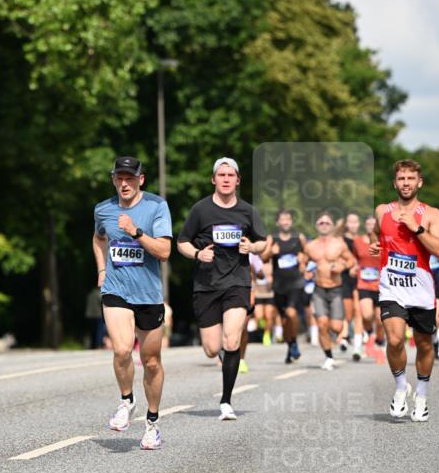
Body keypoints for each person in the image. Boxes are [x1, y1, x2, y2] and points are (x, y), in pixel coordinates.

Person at [177, 157, 266, 420]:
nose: (226, 179)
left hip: (237, 282)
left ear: (238, 180)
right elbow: (181, 242)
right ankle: (221, 360)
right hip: (206, 285)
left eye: (231, 175)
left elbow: (264, 241)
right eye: (221, 175)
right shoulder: (200, 210)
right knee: (212, 348)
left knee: (232, 340)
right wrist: (196, 255)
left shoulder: (248, 211)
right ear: (213, 179)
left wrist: (252, 247)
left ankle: (226, 401)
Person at [93, 156, 172, 450]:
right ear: (114, 179)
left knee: (151, 362)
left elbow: (164, 251)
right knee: (123, 348)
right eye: (119, 178)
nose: (124, 183)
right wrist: (102, 269)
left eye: (130, 178)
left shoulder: (156, 207)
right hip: (116, 290)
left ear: (141, 179)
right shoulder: (103, 209)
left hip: (148, 295)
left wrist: (136, 232)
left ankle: (152, 424)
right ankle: (126, 401)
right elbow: (99, 238)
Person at [370, 160, 439, 421]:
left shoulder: (431, 214)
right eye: (401, 178)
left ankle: (422, 394)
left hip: (421, 290)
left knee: (425, 345)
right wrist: (374, 246)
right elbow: (374, 233)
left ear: (419, 182)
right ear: (395, 183)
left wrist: (417, 228)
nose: (405, 183)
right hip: (391, 287)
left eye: (410, 179)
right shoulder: (382, 211)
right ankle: (401, 387)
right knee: (394, 339)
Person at [301, 212, 355, 371]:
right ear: (317, 226)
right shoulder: (310, 246)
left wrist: (342, 267)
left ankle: (337, 337)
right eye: (321, 223)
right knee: (321, 324)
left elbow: (351, 260)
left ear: (331, 226)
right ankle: (329, 356)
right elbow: (302, 262)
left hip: (336, 289)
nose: (324, 225)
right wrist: (306, 271)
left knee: (337, 327)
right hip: (319, 289)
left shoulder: (339, 244)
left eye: (327, 223)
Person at [266, 210, 306, 365]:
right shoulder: (272, 239)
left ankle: (294, 342)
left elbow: (308, 254)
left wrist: (304, 261)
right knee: (284, 321)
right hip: (279, 285)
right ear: (278, 223)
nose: (286, 222)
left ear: (291, 221)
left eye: (288, 219)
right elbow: (263, 257)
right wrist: (271, 251)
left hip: (296, 283)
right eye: (282, 219)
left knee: (291, 312)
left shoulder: (299, 238)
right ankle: (291, 346)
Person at [352, 214, 384, 360]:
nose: (371, 227)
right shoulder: (357, 241)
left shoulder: (384, 241)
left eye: (374, 224)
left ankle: (379, 340)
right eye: (369, 224)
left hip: (381, 285)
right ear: (365, 226)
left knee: (379, 319)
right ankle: (369, 332)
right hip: (363, 283)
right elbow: (354, 258)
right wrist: (353, 267)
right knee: (366, 315)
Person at [335, 212, 360, 353]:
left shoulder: (362, 240)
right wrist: (347, 266)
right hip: (344, 277)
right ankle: (344, 336)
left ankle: (357, 337)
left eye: (355, 222)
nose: (353, 225)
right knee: (347, 311)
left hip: (359, 278)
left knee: (359, 309)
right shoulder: (341, 240)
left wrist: (357, 267)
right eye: (350, 222)